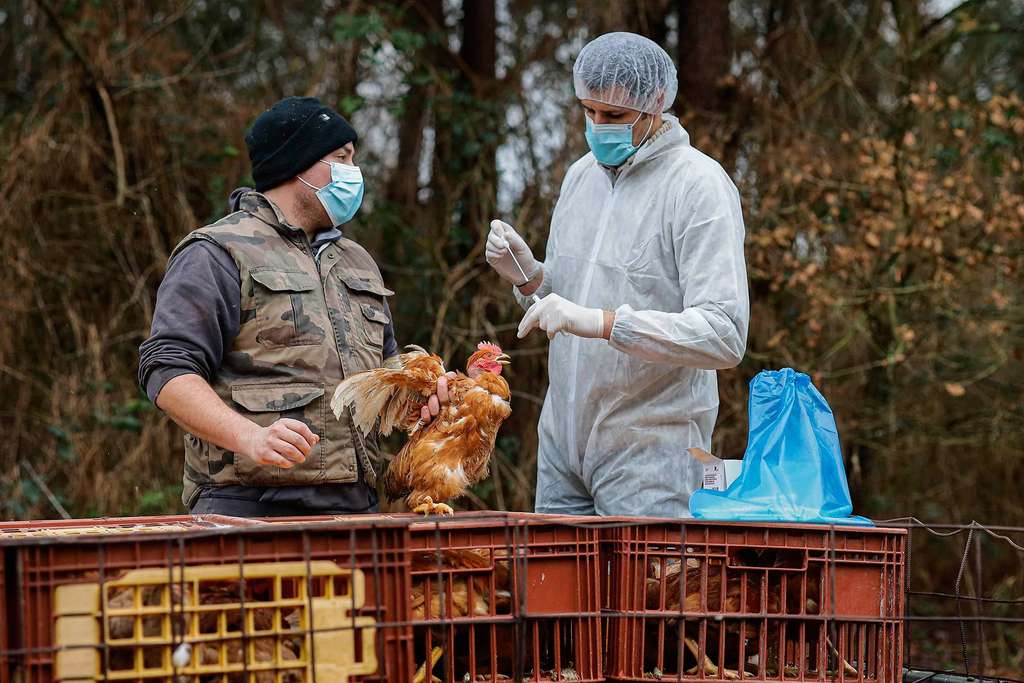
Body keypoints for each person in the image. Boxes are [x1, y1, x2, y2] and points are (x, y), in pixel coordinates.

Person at [485, 32, 749, 517]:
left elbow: (724, 335)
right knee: (556, 591)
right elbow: (567, 305)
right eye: (589, 111)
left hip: (652, 452)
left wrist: (607, 323)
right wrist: (528, 280)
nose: (597, 126)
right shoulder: (580, 177)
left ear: (656, 106)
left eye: (614, 116)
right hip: (564, 444)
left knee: (641, 594)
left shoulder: (698, 186)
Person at [139, 96, 440, 517]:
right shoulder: (217, 252)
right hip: (247, 510)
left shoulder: (358, 261)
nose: (353, 173)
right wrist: (249, 437)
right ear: (298, 163)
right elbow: (168, 371)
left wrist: (425, 403)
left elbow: (382, 387)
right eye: (341, 157)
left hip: (356, 509)